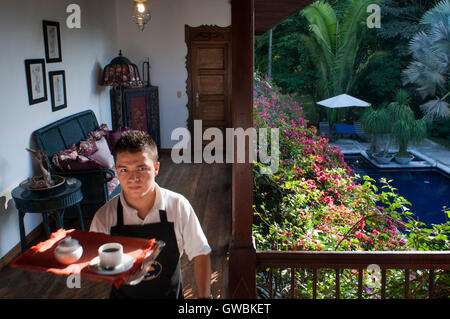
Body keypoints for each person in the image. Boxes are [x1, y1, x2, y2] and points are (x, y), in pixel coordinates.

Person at [90, 130, 212, 299]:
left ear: (155, 168)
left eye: (141, 168)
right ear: (117, 172)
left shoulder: (177, 206)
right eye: (124, 169)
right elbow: (92, 261)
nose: (133, 177)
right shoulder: (104, 217)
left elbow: (201, 252)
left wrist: (206, 299)